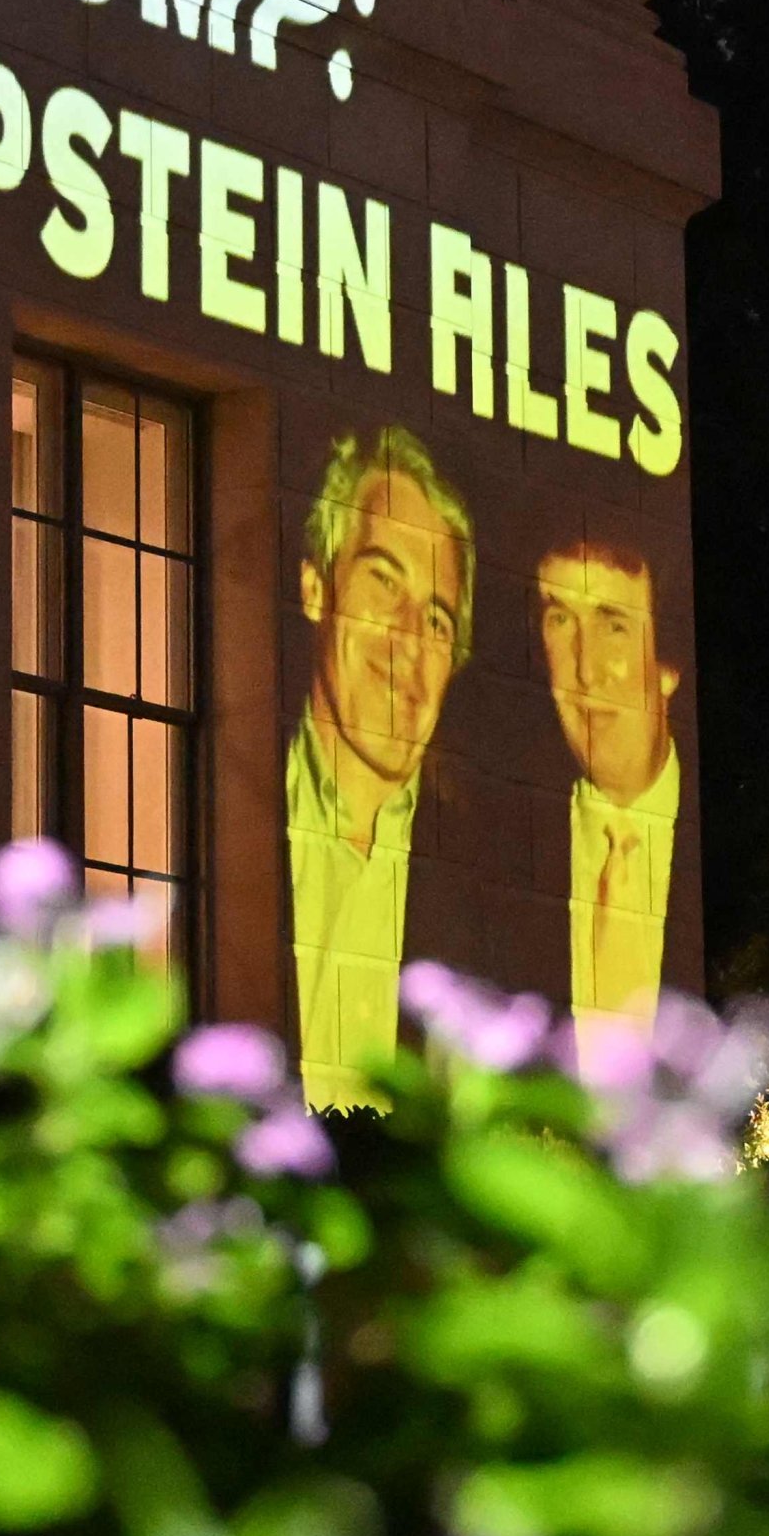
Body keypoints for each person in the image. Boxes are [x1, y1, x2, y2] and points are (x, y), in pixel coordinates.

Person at [287, 427, 474, 1106]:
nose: (405, 640)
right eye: (381, 582)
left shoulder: (478, 883)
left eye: (436, 620)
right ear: (316, 587)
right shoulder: (204, 807)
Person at [537, 539, 680, 1024]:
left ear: (668, 666)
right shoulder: (494, 845)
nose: (585, 670)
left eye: (613, 626)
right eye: (560, 620)